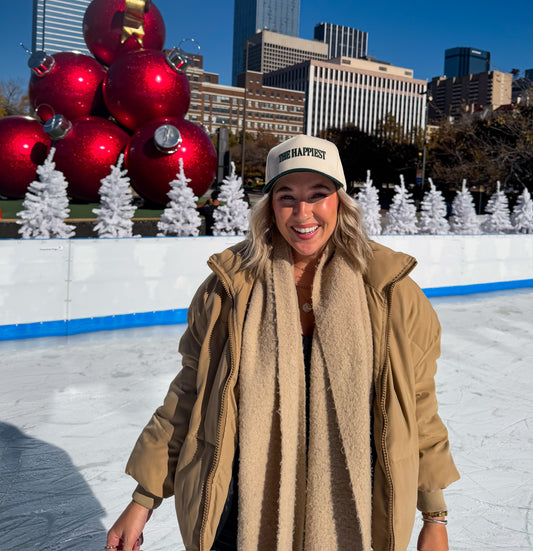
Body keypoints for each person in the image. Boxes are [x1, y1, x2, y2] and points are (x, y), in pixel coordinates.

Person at [107, 134, 459, 551]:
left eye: (318, 194)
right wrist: (143, 499)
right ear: (270, 207)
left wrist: (433, 514)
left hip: (358, 505)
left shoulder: (390, 293)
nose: (302, 212)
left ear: (340, 202)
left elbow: (417, 405)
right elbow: (188, 395)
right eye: (286, 196)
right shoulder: (228, 290)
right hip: (240, 514)